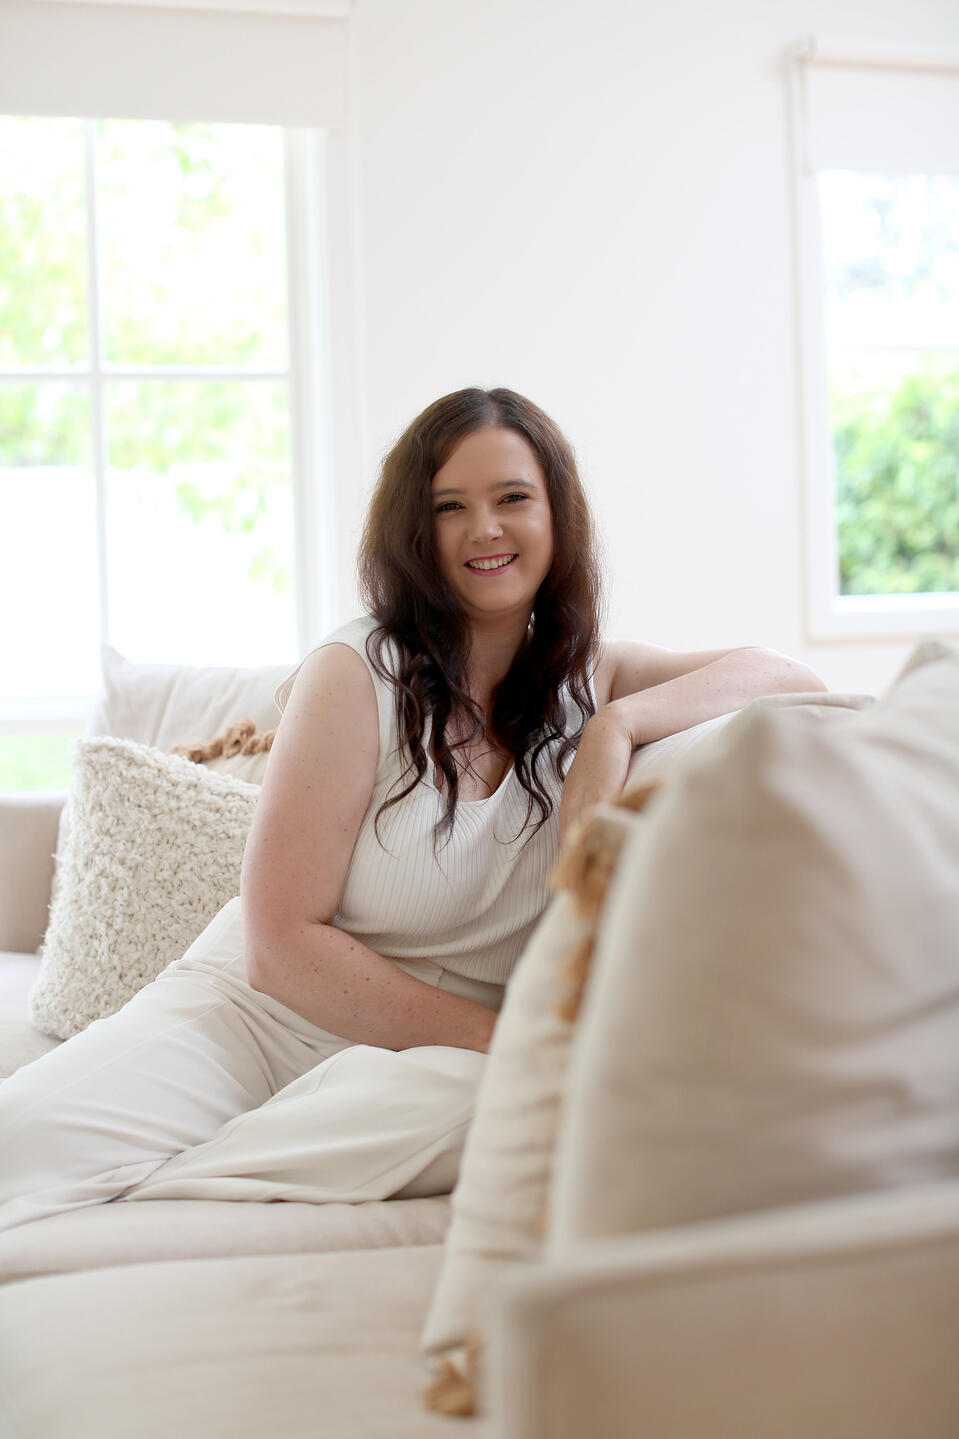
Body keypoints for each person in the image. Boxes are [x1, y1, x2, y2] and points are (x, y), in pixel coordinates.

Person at [0, 386, 826, 1234]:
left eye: (512, 497)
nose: (484, 529)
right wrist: (506, 1037)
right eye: (449, 506)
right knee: (18, 1146)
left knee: (550, 1093)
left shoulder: (596, 679)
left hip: (434, 1065)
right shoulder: (356, 671)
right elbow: (279, 947)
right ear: (413, 530)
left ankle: (171, 1190)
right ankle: (178, 1177)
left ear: (556, 515)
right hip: (259, 1021)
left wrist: (618, 726)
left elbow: (790, 676)